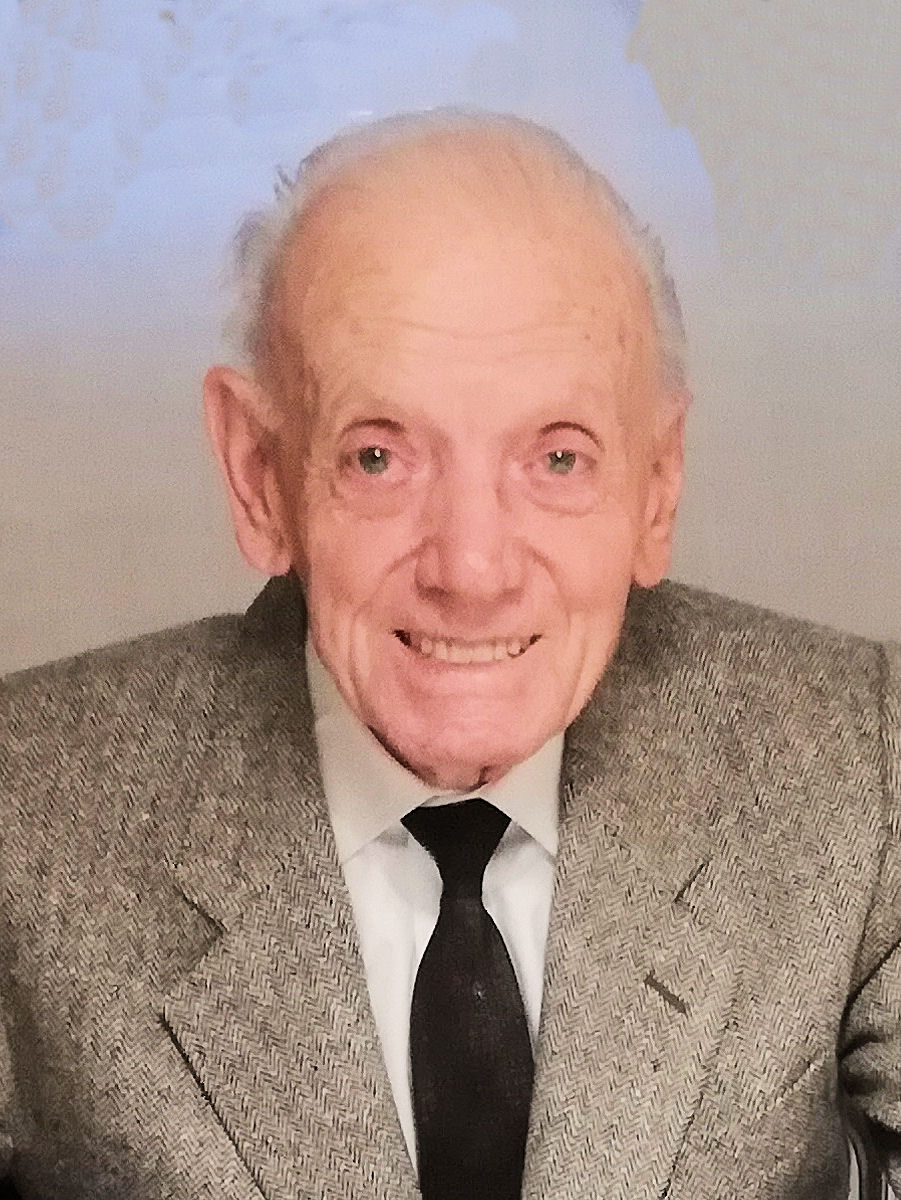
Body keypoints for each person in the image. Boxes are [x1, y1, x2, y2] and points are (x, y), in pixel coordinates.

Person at [0, 110, 898, 1200]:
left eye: (557, 459)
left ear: (657, 486)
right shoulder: (25, 810)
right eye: (379, 457)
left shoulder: (859, 768)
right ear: (258, 474)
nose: (471, 570)